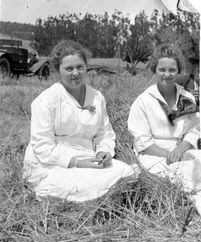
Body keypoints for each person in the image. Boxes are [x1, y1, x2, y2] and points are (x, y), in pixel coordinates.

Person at [23, 40, 135, 202]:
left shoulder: (96, 97)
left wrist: (104, 151)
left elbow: (104, 134)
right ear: (57, 70)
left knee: (126, 171)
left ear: (86, 67)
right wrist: (76, 162)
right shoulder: (46, 101)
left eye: (80, 67)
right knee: (81, 184)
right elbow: (42, 147)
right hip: (53, 162)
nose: (75, 73)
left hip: (88, 156)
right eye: (68, 68)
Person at [127, 43, 201, 214]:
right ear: (155, 69)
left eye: (172, 70)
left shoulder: (187, 97)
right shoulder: (144, 100)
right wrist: (168, 154)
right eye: (162, 69)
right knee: (184, 172)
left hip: (180, 150)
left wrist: (181, 149)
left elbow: (194, 130)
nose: (167, 75)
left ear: (178, 70)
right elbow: (142, 140)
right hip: (153, 154)